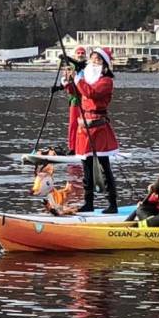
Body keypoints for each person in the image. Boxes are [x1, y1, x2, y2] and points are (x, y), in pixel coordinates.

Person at [66, 47, 119, 214]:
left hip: (99, 126)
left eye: (98, 59)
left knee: (104, 166)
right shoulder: (86, 79)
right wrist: (69, 81)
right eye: (93, 58)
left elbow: (92, 93)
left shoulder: (106, 81)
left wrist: (78, 79)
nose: (94, 62)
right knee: (86, 167)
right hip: (84, 126)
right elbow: (77, 93)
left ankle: (113, 203)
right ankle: (88, 202)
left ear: (104, 64)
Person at [52, 46, 88, 155]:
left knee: (85, 125)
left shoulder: (87, 66)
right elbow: (67, 83)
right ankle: (72, 148)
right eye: (79, 53)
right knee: (73, 125)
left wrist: (67, 58)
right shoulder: (70, 67)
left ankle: (85, 147)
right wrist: (58, 88)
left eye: (82, 53)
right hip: (74, 100)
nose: (81, 54)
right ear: (76, 54)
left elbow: (80, 66)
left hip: (85, 100)